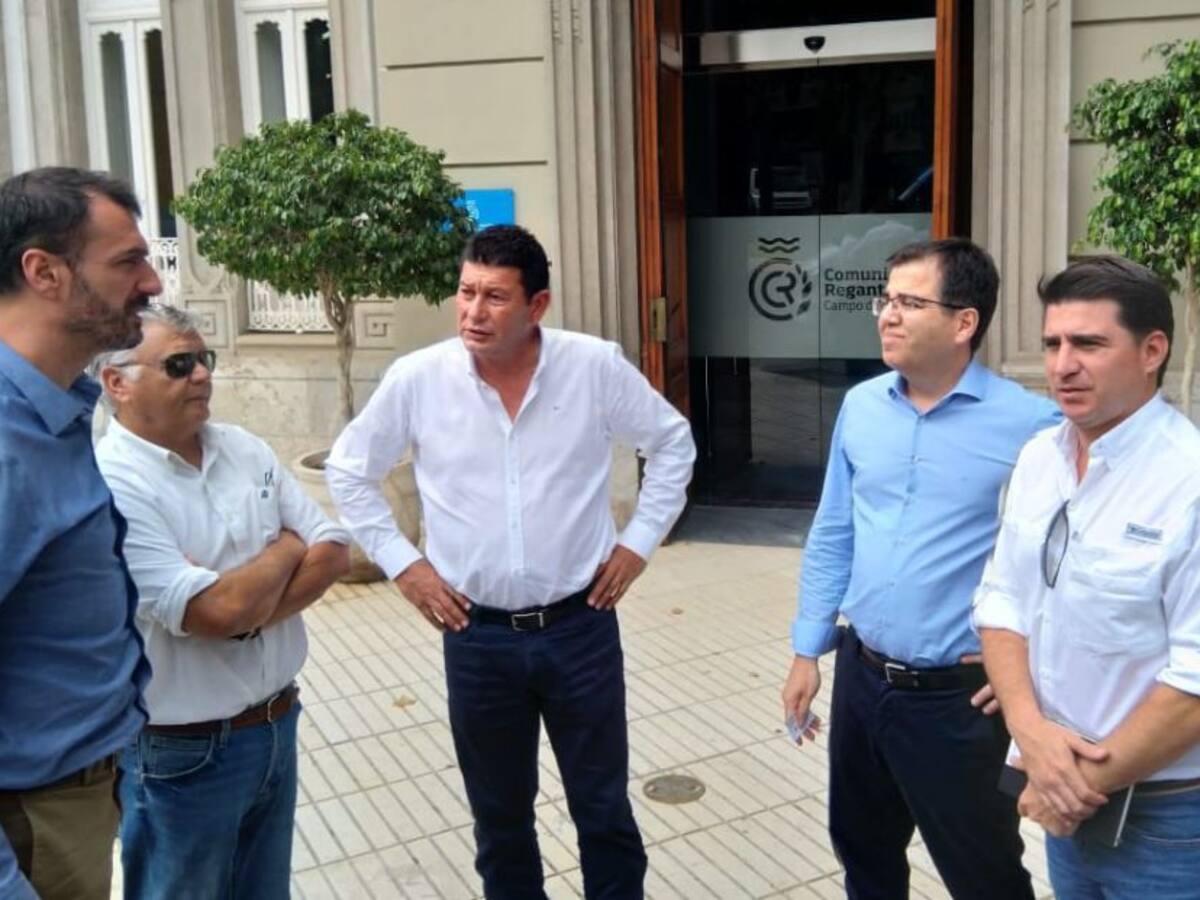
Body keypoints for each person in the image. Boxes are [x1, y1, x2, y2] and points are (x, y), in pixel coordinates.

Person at [326, 224, 695, 899]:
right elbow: (349, 471)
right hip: (478, 636)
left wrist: (637, 543)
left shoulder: (593, 367)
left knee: (603, 811)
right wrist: (406, 566)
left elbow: (672, 443)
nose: (473, 312)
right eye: (466, 292)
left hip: (580, 627)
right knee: (500, 823)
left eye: (495, 297)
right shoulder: (419, 379)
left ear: (537, 305)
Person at [781, 238, 1059, 898]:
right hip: (861, 678)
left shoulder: (1034, 426)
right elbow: (835, 528)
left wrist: (1032, 663)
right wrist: (806, 649)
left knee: (984, 873)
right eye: (885, 300)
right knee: (864, 855)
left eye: (909, 302)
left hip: (959, 702)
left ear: (965, 322)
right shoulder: (861, 405)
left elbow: (1067, 564)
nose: (887, 314)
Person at [93, 304, 351, 899]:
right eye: (178, 364)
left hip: (276, 725)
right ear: (117, 383)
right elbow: (215, 613)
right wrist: (288, 549)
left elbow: (334, 551)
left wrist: (241, 606)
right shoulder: (113, 481)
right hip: (182, 756)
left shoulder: (243, 448)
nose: (203, 374)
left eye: (203, 359)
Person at [977, 255, 1200, 898]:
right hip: (1061, 791)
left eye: (1089, 344)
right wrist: (1030, 734)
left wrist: (1070, 787)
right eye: (1053, 344)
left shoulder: (1186, 482)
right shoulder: (1038, 459)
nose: (1062, 365)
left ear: (1152, 350)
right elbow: (1002, 603)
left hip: (1169, 822)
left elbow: (1194, 680)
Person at [0, 167, 156, 900]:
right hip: (31, 823)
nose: (153, 282)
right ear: (45, 273)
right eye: (128, 261)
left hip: (76, 796)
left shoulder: (54, 408)